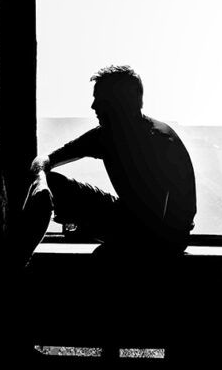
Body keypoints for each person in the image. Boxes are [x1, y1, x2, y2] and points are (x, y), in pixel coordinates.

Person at [21, 65, 196, 260]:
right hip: (131, 219)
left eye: (100, 99)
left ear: (122, 102)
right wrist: (40, 182)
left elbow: (155, 221)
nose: (93, 106)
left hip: (165, 237)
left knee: (104, 258)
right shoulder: (107, 135)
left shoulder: (159, 142)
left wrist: (104, 239)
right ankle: (20, 257)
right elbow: (46, 159)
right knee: (51, 183)